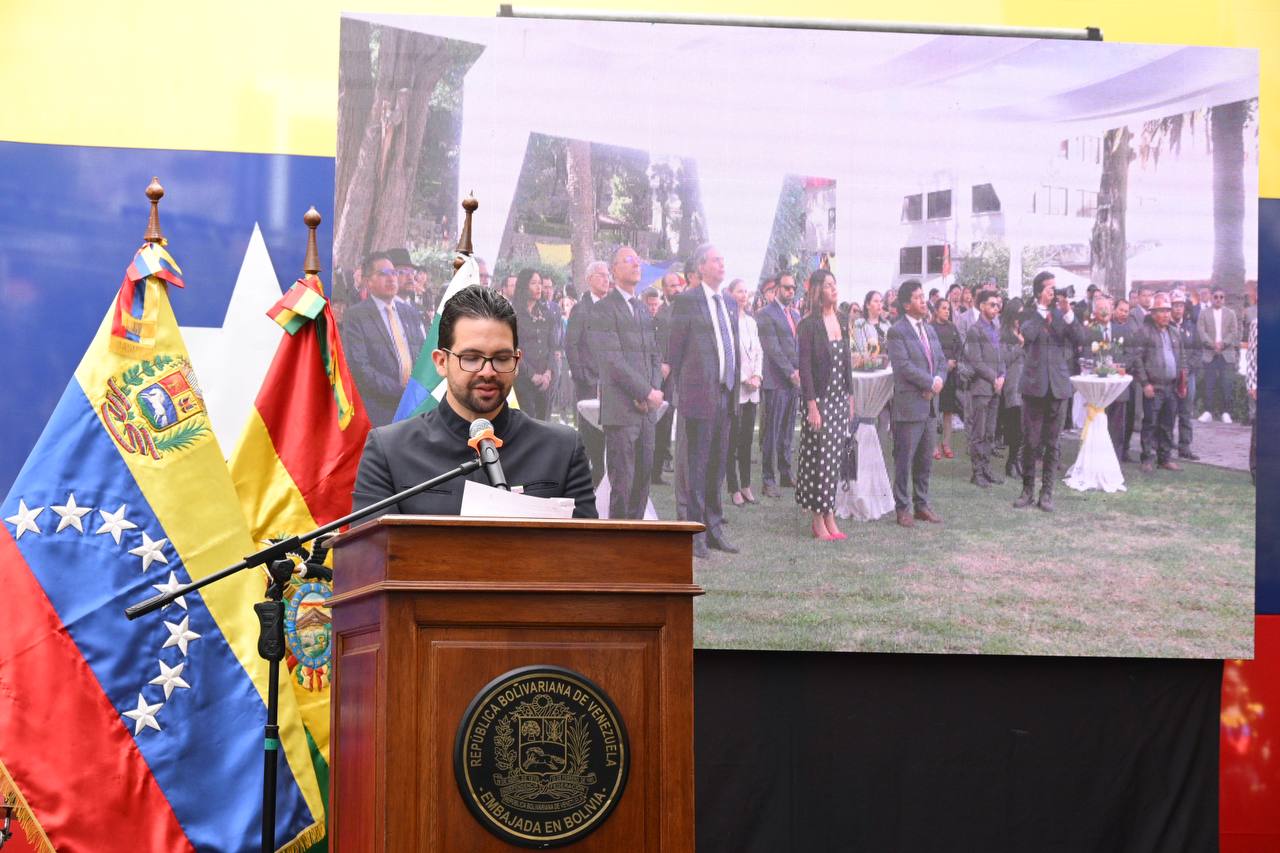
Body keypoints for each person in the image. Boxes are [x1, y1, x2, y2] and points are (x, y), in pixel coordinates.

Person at [353, 285, 597, 517]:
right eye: (471, 358)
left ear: (517, 362)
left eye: (501, 358)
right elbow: (371, 555)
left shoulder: (562, 449)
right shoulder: (389, 451)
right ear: (440, 362)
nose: (488, 371)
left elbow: (587, 554)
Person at [666, 243, 740, 557]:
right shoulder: (687, 301)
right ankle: (694, 533)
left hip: (725, 395)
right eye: (716, 260)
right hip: (699, 397)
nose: (722, 265)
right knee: (696, 467)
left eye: (724, 259)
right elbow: (674, 352)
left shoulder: (728, 303)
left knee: (717, 465)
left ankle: (714, 529)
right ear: (701, 267)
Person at [587, 246, 664, 519]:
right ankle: (617, 549)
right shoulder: (604, 310)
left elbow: (655, 355)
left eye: (638, 260)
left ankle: (637, 544)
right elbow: (612, 360)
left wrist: (653, 392)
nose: (636, 264)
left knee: (642, 483)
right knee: (622, 484)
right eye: (629, 260)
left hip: (646, 413)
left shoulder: (643, 309)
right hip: (621, 412)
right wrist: (644, 392)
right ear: (614, 270)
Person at [1014, 271, 1085, 512]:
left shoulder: (1062, 315)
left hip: (1058, 387)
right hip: (1034, 387)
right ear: (1038, 292)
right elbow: (1030, 335)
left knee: (1053, 444)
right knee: (1031, 442)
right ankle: (1027, 491)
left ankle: (1047, 494)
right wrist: (1042, 309)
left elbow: (1078, 338)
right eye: (1049, 288)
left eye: (1055, 288)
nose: (1054, 292)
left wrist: (1067, 313)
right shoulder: (1027, 314)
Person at [795, 269, 854, 540]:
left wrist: (850, 397)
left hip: (840, 399)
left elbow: (846, 364)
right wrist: (812, 405)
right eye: (828, 285)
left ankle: (830, 514)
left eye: (835, 284)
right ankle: (818, 519)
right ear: (818, 290)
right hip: (819, 399)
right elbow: (804, 368)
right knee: (819, 459)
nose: (834, 289)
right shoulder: (808, 325)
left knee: (835, 460)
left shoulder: (842, 319)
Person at [885, 279, 946, 527]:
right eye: (919, 297)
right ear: (907, 304)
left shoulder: (929, 329)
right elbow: (903, 366)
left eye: (924, 296)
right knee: (904, 459)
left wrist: (938, 379)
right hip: (910, 405)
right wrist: (929, 383)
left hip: (930, 406)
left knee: (924, 459)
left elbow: (941, 359)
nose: (924, 301)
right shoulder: (897, 331)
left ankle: (922, 504)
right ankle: (902, 508)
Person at [343, 251, 427, 427]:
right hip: (378, 410)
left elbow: (423, 356)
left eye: (394, 273)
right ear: (367, 281)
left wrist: (418, 389)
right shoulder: (356, 316)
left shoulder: (410, 313)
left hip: (413, 408)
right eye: (383, 274)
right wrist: (401, 392)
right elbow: (360, 368)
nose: (391, 279)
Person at [564, 259, 610, 486]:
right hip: (589, 381)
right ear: (590, 279)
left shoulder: (612, 306)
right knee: (589, 430)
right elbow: (571, 344)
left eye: (607, 274)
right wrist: (581, 375)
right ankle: (587, 473)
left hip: (610, 382)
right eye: (601, 275)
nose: (606, 278)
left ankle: (602, 474)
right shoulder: (581, 309)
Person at [755, 272, 802, 498]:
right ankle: (768, 480)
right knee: (771, 434)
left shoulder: (795, 314)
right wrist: (791, 372)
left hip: (794, 382)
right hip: (776, 381)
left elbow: (798, 346)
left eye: (793, 288)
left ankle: (785, 473)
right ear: (776, 290)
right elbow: (772, 349)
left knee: (787, 432)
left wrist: (800, 372)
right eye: (786, 288)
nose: (790, 291)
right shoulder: (765, 314)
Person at [1133, 292, 1185, 473]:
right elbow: (1137, 360)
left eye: (1167, 311)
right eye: (1161, 311)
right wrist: (1145, 383)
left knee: (1168, 424)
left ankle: (1165, 458)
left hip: (1172, 387)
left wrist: (1182, 381)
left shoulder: (1174, 332)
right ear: (1153, 313)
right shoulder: (1144, 332)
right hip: (1153, 387)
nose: (1166, 314)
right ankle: (1147, 459)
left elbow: (1181, 358)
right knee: (1150, 423)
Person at [962, 288, 1006, 487]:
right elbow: (976, 361)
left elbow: (1000, 357)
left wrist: (1002, 376)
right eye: (992, 304)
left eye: (997, 305)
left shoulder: (995, 328)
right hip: (981, 388)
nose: (996, 308)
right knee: (978, 432)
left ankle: (986, 468)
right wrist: (993, 378)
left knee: (990, 432)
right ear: (981, 306)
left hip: (995, 388)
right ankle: (977, 471)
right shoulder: (975, 330)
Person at [726, 279, 763, 506]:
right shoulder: (727, 322)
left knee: (747, 439)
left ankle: (746, 484)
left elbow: (758, 351)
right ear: (730, 293)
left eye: (746, 292)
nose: (743, 296)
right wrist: (743, 379)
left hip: (752, 390)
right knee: (732, 439)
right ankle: (733, 486)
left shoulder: (751, 321)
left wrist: (757, 376)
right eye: (739, 291)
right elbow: (729, 356)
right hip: (736, 390)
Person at [1084, 295, 1130, 461]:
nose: (1104, 312)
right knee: (1097, 424)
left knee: (1117, 427)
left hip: (1117, 388)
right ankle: (1096, 461)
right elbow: (1085, 355)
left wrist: (1119, 366)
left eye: (1107, 309)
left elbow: (1130, 354)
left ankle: (1114, 462)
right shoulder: (1088, 331)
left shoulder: (1122, 331)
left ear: (1112, 311)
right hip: (1098, 389)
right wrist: (1101, 367)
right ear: (1095, 312)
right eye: (1101, 309)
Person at [512, 269, 554, 420]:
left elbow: (552, 346)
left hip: (545, 380)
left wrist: (548, 373)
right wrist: (531, 374)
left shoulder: (546, 313)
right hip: (523, 378)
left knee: (544, 424)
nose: (539, 287)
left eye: (540, 284)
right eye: (534, 283)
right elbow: (512, 348)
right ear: (524, 285)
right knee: (527, 423)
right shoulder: (512, 313)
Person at [1197, 286, 1240, 423]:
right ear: (1211, 297)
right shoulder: (1204, 313)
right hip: (1210, 353)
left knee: (1226, 384)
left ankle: (1226, 412)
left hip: (1226, 353)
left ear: (1224, 299)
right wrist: (1212, 344)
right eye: (1216, 296)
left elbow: (1234, 332)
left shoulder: (1230, 313)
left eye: (1221, 297)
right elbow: (1201, 331)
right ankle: (1208, 411)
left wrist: (1223, 343)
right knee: (1208, 383)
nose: (1218, 299)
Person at [930, 298, 963, 460]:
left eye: (948, 308)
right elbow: (930, 351)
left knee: (948, 411)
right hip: (936, 375)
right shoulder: (930, 328)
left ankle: (946, 443)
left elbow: (959, 347)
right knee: (935, 412)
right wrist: (944, 363)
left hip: (951, 376)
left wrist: (954, 362)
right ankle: (934, 446)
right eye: (943, 308)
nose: (947, 311)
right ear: (936, 310)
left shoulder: (953, 327)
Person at [1168, 290, 1200, 460]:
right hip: (1171, 376)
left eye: (1181, 306)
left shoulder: (1191, 327)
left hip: (1189, 376)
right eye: (1175, 306)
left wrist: (1189, 368)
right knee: (1170, 411)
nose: (1178, 309)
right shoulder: (1166, 327)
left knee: (1186, 412)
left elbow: (1198, 351)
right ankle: (1165, 445)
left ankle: (1185, 447)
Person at [998, 298, 1026, 481]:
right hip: (1012, 386)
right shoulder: (1004, 334)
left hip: (1027, 385)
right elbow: (1005, 358)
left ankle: (1018, 460)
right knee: (1015, 426)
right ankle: (1012, 461)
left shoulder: (1024, 332)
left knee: (1024, 427)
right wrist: (1020, 346)